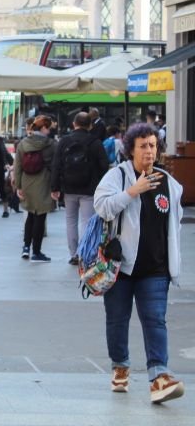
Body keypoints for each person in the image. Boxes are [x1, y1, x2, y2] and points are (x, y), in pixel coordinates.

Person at [93, 123, 185, 404]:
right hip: (121, 266)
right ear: (131, 149)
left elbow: (175, 222)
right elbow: (102, 206)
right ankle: (120, 365)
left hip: (156, 268)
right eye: (143, 145)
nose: (149, 151)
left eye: (153, 145)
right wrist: (133, 191)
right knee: (117, 320)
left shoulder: (169, 182)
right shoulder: (117, 176)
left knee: (155, 320)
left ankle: (159, 376)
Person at [50, 112, 109, 265]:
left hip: (69, 188)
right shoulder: (95, 142)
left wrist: (55, 187)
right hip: (89, 189)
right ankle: (85, 254)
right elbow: (104, 165)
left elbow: (56, 165)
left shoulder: (64, 141)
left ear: (74, 124)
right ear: (90, 125)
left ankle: (73, 254)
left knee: (70, 221)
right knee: (87, 221)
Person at [14, 115, 57, 262]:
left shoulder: (23, 143)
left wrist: (18, 185)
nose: (50, 130)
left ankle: (26, 247)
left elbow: (17, 166)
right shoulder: (51, 144)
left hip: (27, 181)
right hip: (43, 181)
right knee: (40, 215)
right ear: (43, 128)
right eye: (49, 127)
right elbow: (55, 166)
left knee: (30, 214)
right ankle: (36, 252)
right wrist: (56, 186)